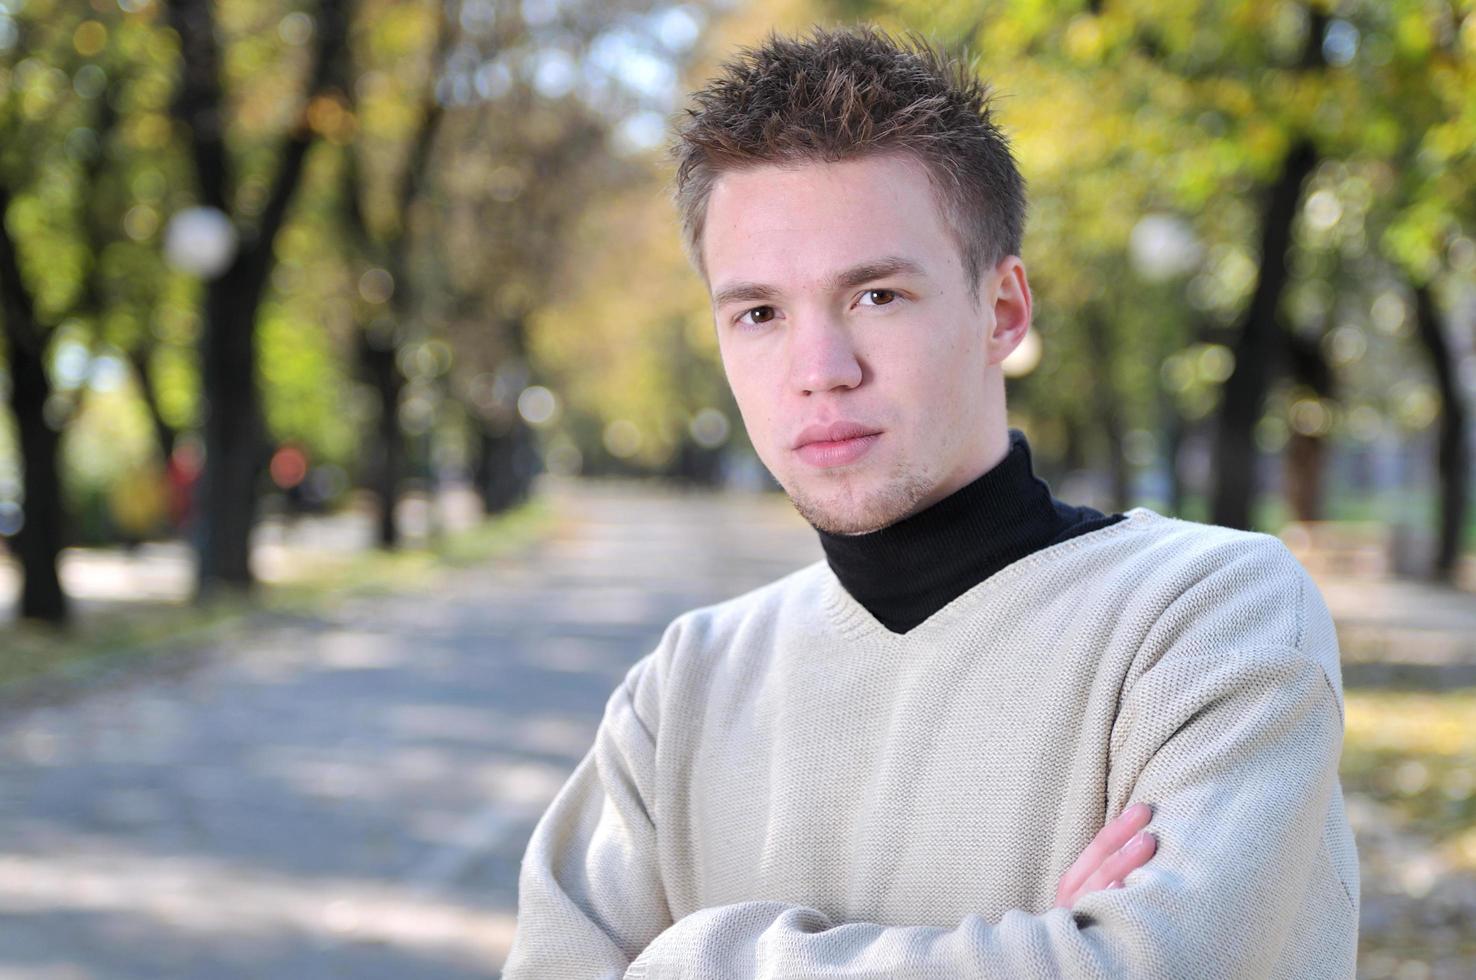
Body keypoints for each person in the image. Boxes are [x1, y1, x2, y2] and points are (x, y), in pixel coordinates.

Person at [503, 26, 1358, 978]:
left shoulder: (1209, 618)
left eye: (875, 295)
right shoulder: (683, 689)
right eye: (759, 314)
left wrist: (690, 959)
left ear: (1002, 312)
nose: (819, 372)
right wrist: (1038, 952)